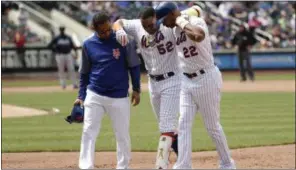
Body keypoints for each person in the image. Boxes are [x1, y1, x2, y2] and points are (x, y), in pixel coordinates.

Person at [155, 2, 236, 169]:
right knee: (183, 123)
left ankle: (227, 163)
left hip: (205, 77)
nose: (163, 23)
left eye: (164, 19)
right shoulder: (172, 27)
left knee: (212, 126)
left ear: (171, 14)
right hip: (186, 80)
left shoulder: (195, 22)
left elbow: (198, 36)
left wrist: (182, 22)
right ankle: (183, 165)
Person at [113, 7, 182, 169]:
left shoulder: (169, 26)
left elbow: (184, 15)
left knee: (166, 126)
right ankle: (184, 158)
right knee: (166, 126)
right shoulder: (138, 25)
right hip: (153, 82)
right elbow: (118, 22)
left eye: (152, 25)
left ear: (157, 19)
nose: (149, 28)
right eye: (146, 26)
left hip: (172, 79)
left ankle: (161, 165)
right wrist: (119, 31)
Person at [74, 12, 141, 169]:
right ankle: (86, 166)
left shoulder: (123, 40)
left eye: (108, 29)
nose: (106, 33)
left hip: (119, 96)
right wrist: (80, 96)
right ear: (94, 28)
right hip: (95, 93)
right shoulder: (88, 44)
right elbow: (84, 73)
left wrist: (137, 89)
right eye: (102, 31)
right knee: (89, 131)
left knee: (122, 134)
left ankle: (123, 167)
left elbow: (134, 66)